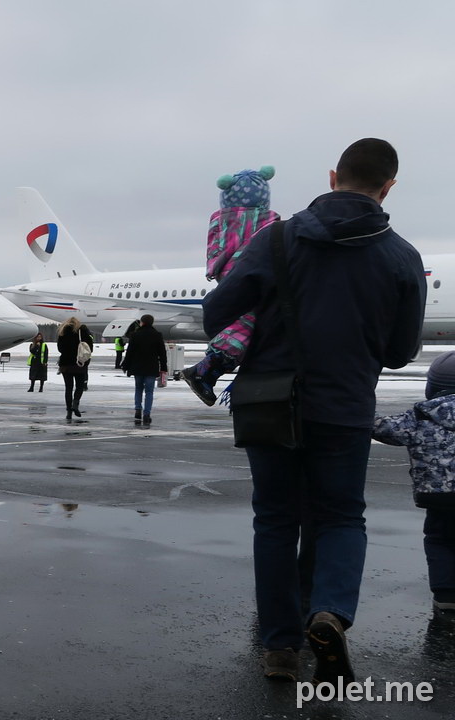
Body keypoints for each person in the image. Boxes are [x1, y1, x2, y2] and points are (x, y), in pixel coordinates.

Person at [203, 138, 426, 683]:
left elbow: (217, 313)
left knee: (275, 520)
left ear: (332, 177)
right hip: (345, 407)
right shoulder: (402, 257)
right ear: (389, 186)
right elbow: (400, 353)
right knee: (341, 517)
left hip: (270, 403)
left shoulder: (274, 239)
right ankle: (328, 612)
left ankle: (279, 647)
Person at [183, 166, 281, 406]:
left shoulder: (219, 222)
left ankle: (207, 371)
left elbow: (216, 251)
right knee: (246, 325)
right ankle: (205, 370)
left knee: (242, 323)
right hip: (251, 274)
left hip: (228, 274)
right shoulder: (269, 222)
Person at [372, 352, 455, 615]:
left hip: (439, 498)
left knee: (439, 540)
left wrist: (360, 407)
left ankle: (446, 594)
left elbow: (383, 428)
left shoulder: (420, 416)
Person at [120, 314, 167, 425]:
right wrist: (163, 367)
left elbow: (129, 352)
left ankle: (137, 409)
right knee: (149, 392)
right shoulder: (157, 335)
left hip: (137, 367)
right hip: (151, 367)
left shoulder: (135, 335)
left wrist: (125, 365)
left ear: (142, 322)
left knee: (138, 389)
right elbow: (162, 353)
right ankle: (147, 414)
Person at [56, 317, 93, 422]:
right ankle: (75, 404)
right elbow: (89, 346)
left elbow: (60, 348)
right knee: (79, 386)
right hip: (79, 363)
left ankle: (68, 411)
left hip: (66, 364)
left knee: (68, 388)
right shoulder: (82, 330)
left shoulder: (62, 331)